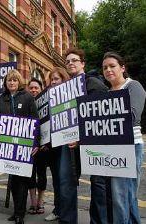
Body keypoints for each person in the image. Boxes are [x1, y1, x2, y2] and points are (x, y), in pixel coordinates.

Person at [60, 48, 108, 224]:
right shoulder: (64, 89)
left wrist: (82, 138)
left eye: (74, 60)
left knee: (98, 185)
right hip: (68, 142)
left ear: (82, 64)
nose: (70, 63)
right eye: (67, 61)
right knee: (66, 182)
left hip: (91, 144)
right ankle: (67, 220)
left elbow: (101, 117)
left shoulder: (94, 83)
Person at [102, 52, 146, 224]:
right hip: (111, 147)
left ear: (122, 68)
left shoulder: (133, 86)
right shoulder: (106, 92)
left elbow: (133, 115)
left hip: (131, 145)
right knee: (125, 194)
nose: (108, 70)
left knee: (122, 195)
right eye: (105, 67)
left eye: (112, 66)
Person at [0, 69, 39, 224]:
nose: (11, 83)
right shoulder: (0, 100)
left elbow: (34, 120)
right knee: (12, 180)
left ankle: (20, 213)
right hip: (6, 145)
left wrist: (36, 142)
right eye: (9, 80)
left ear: (19, 82)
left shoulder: (27, 98)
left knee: (22, 180)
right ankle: (16, 211)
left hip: (24, 145)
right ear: (5, 83)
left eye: (14, 80)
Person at [45, 67, 70, 222]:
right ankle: (58, 209)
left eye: (57, 79)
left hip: (67, 144)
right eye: (52, 80)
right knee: (56, 179)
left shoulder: (70, 95)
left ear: (64, 79)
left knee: (66, 181)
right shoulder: (47, 97)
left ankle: (66, 212)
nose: (54, 82)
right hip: (52, 144)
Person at [26, 77, 46, 215]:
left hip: (43, 146)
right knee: (30, 175)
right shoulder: (26, 103)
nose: (33, 90)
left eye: (36, 88)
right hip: (29, 145)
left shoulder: (46, 103)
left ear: (41, 89)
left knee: (42, 174)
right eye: (31, 88)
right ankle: (33, 202)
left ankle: (40, 202)